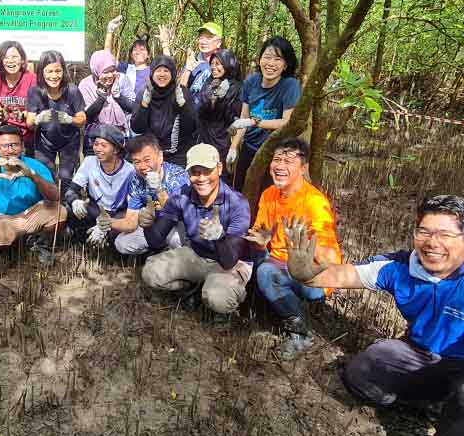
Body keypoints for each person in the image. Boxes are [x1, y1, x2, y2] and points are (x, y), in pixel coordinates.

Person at [282, 195, 464, 436]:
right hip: (419, 353)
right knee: (362, 372)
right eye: (424, 232)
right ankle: (430, 401)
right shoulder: (399, 267)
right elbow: (346, 275)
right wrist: (308, 276)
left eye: (445, 234)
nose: (432, 243)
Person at [245, 138, 341, 359]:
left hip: (311, 276)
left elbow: (329, 257)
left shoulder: (314, 202)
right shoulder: (269, 194)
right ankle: (265, 310)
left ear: (303, 168)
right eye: (277, 159)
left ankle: (300, 333)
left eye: (288, 161)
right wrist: (259, 242)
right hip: (278, 262)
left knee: (266, 272)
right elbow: (261, 232)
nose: (280, 166)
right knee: (258, 261)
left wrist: (309, 253)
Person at [142, 143, 251, 318]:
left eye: (207, 171)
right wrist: (147, 225)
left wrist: (220, 238)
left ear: (219, 168)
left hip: (229, 263)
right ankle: (194, 287)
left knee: (218, 298)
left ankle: (226, 304)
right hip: (197, 254)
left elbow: (230, 260)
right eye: (195, 172)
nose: (201, 178)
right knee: (151, 273)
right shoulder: (182, 196)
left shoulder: (237, 203)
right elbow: (155, 240)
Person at [0, 125, 66, 265]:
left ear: (22, 146)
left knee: (60, 211)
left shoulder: (34, 165)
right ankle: (20, 241)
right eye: (4, 146)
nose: (10, 151)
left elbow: (55, 197)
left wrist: (32, 175)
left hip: (30, 215)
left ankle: (37, 243)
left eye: (14, 145)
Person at [228, 36, 301, 190]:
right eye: (267, 57)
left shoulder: (290, 86)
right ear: (260, 60)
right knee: (241, 192)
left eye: (278, 59)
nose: (271, 64)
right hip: (249, 148)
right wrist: (233, 147)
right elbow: (243, 118)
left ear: (286, 65)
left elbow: (287, 121)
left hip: (275, 153)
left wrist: (255, 122)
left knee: (268, 196)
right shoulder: (251, 82)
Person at [112, 134, 190, 256]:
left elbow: (180, 214)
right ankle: (157, 250)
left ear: (160, 157)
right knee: (122, 242)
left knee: (175, 239)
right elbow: (131, 221)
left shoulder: (178, 176)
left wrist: (159, 190)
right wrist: (107, 222)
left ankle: (175, 258)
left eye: (147, 160)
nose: (142, 167)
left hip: (176, 225)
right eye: (136, 162)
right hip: (152, 225)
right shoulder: (136, 180)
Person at [26, 50, 87, 192]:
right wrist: (38, 119)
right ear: (42, 72)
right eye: (49, 71)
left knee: (65, 177)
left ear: (63, 71)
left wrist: (70, 119)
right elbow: (29, 122)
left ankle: (66, 205)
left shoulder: (72, 91)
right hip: (44, 142)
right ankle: (48, 209)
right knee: (45, 177)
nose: (54, 76)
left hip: (69, 142)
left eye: (58, 71)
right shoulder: (35, 91)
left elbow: (82, 119)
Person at [64, 125, 134, 244]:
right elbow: (71, 191)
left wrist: (107, 224)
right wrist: (75, 201)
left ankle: (108, 244)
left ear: (116, 149)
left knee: (116, 235)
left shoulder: (130, 171)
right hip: (96, 210)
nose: (98, 149)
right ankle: (78, 238)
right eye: (96, 144)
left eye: (104, 145)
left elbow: (132, 207)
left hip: (118, 214)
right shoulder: (89, 162)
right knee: (69, 210)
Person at [130, 55, 197, 168]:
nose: (162, 74)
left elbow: (191, 128)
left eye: (166, 70)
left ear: (173, 73)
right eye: (158, 70)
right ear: (152, 73)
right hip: (152, 153)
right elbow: (137, 127)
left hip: (178, 154)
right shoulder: (144, 93)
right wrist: (144, 105)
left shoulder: (182, 92)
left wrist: (183, 106)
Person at [194, 49, 243, 169]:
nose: (213, 67)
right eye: (212, 64)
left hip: (223, 139)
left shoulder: (237, 87)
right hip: (203, 136)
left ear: (228, 65)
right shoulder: (209, 82)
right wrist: (211, 99)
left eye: (218, 64)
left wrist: (221, 100)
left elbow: (233, 118)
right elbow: (198, 110)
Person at [79, 49, 136, 153]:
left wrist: (118, 97)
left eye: (113, 70)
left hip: (120, 137)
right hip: (95, 139)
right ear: (97, 71)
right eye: (106, 72)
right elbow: (86, 116)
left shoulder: (122, 79)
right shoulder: (85, 85)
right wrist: (101, 98)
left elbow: (133, 108)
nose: (110, 75)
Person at [0, 41, 37, 152]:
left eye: (14, 57)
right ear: (0, 60)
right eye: (6, 57)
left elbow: (36, 110)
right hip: (4, 136)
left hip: (27, 137)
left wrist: (23, 114)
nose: (10, 61)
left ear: (22, 59)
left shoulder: (32, 79)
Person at [179, 22, 224, 105]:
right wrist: (188, 69)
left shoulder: (225, 63)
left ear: (219, 43)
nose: (203, 42)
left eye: (209, 38)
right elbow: (180, 91)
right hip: (190, 111)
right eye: (201, 38)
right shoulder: (194, 61)